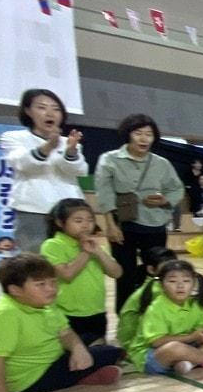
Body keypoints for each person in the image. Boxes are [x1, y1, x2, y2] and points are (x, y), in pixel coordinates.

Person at [0, 254, 125, 392]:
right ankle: (82, 377)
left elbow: (66, 332)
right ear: (15, 290)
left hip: (53, 357)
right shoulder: (4, 316)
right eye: (40, 284)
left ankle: (82, 375)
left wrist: (78, 349)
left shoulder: (45, 305)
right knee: (110, 352)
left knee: (91, 338)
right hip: (33, 378)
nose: (51, 289)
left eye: (53, 282)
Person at [94, 114, 184, 310]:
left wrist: (165, 200)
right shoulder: (109, 159)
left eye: (149, 134)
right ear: (128, 135)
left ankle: (152, 314)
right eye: (138, 133)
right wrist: (110, 225)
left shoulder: (162, 163)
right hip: (122, 224)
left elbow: (177, 188)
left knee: (156, 271)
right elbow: (104, 193)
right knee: (124, 273)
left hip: (154, 224)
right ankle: (126, 316)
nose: (144, 139)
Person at [2, 89, 87, 252]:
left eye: (56, 109)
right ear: (28, 111)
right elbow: (22, 163)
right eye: (41, 107)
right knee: (37, 263)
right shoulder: (13, 137)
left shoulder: (69, 142)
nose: (50, 113)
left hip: (69, 212)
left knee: (72, 258)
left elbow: (80, 170)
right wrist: (48, 146)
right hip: (33, 210)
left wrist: (70, 152)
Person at [129, 261, 203, 375]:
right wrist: (192, 336)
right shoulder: (156, 308)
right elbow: (157, 342)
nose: (180, 286)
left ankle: (190, 362)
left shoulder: (194, 304)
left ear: (193, 284)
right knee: (174, 348)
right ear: (161, 285)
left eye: (186, 281)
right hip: (153, 356)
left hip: (186, 346)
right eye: (172, 281)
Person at [40, 198, 123, 345]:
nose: (85, 225)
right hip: (67, 313)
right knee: (74, 356)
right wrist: (86, 253)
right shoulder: (53, 245)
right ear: (60, 223)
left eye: (90, 220)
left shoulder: (94, 246)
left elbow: (116, 273)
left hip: (97, 310)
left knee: (98, 354)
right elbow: (67, 274)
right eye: (78, 221)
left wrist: (98, 252)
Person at [115, 246, 179, 349]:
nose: (172, 272)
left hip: (136, 341)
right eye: (166, 268)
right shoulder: (156, 290)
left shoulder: (156, 285)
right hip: (136, 345)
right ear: (151, 269)